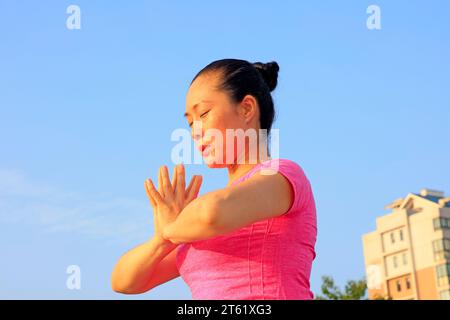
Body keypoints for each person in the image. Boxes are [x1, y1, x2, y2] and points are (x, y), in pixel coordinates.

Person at [111, 59, 317, 299]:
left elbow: (211, 213)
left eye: (204, 114)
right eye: (190, 122)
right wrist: (161, 239)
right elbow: (124, 282)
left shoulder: (283, 174)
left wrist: (172, 228)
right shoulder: (187, 226)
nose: (195, 131)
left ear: (247, 108)